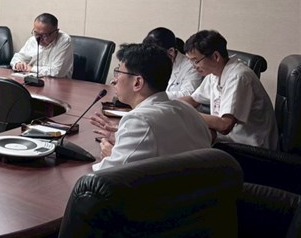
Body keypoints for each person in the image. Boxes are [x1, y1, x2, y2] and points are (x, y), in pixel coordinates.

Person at [93, 43, 212, 171]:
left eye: (118, 72)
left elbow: (109, 175)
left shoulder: (139, 120)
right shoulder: (189, 110)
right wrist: (122, 139)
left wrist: (111, 156)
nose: (114, 80)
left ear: (137, 82)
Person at [179, 30, 278, 149]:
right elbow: (193, 99)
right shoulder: (214, 73)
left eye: (196, 61)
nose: (194, 67)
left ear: (216, 56)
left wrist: (186, 114)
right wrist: (168, 105)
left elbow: (224, 126)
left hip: (250, 149)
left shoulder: (238, 77)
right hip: (229, 141)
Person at [143, 27, 203, 99]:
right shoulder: (151, 63)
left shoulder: (191, 66)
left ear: (171, 51)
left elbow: (188, 94)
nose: (152, 58)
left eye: (156, 54)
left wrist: (155, 96)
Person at [10, 13, 73, 78]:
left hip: (58, 82)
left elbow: (56, 72)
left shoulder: (64, 40)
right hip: (32, 79)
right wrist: (18, 64)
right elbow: (18, 57)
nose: (39, 38)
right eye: (36, 33)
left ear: (56, 32)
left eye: (44, 35)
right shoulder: (33, 39)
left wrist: (31, 68)